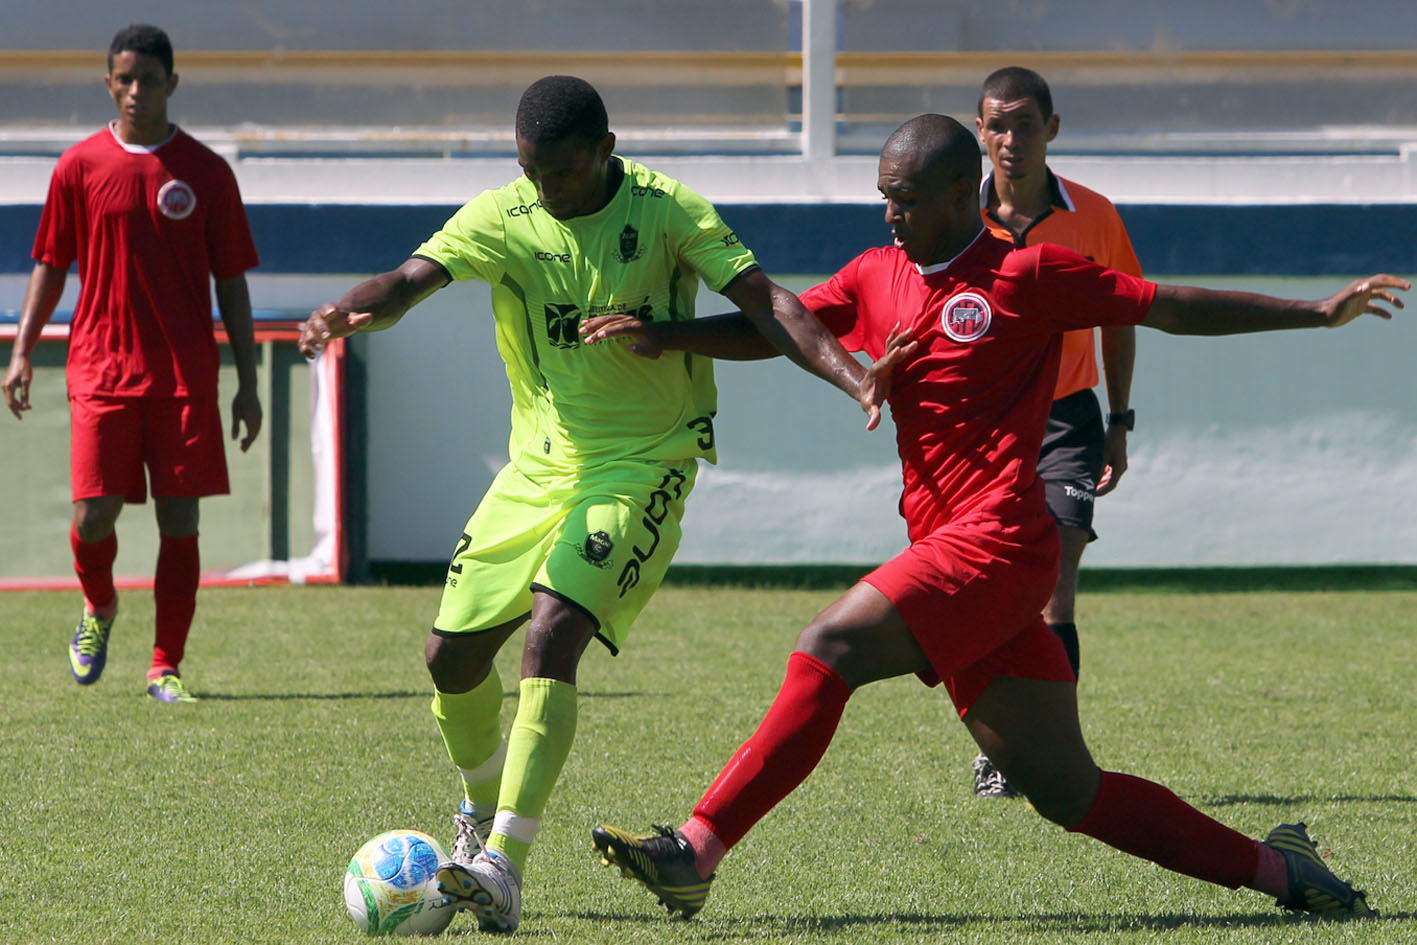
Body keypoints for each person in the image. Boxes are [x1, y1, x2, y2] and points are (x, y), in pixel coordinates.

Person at [584, 114, 1404, 922]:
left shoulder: (1027, 274)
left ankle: (696, 849)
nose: (887, 214)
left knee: (828, 643)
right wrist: (667, 335)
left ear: (955, 193)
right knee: (1066, 791)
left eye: (902, 198)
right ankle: (1283, 871)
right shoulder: (877, 271)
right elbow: (783, 325)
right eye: (882, 197)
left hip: (1002, 540)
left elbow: (1165, 305)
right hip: (949, 549)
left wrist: (1313, 312)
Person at [297, 75, 883, 935]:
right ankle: (478, 811)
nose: (547, 190)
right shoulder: (504, 215)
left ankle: (503, 863)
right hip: (538, 467)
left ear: (604, 150)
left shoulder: (669, 211)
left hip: (644, 463)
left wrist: (855, 374)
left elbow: (769, 304)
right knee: (448, 660)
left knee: (552, 630)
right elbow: (407, 280)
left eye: (562, 173)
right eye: (532, 172)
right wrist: (345, 314)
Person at [2, 24, 262, 704]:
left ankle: (164, 665)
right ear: (109, 83)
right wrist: (23, 350)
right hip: (100, 368)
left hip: (182, 375)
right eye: (125, 79)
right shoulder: (79, 166)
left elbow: (231, 281)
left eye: (149, 78)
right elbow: (50, 263)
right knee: (93, 515)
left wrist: (248, 383)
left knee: (181, 522)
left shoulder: (206, 172)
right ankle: (99, 606)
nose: (136, 91)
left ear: (173, 83)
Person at [968, 66, 1142, 798]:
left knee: (1054, 576)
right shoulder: (950, 212)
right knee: (984, 589)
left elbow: (1123, 314)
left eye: (1024, 124)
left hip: (1068, 414)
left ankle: (1054, 750)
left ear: (1052, 130)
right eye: (996, 125)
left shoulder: (1093, 216)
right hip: (980, 420)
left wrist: (1119, 419)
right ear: (978, 132)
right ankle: (997, 747)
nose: (1010, 140)